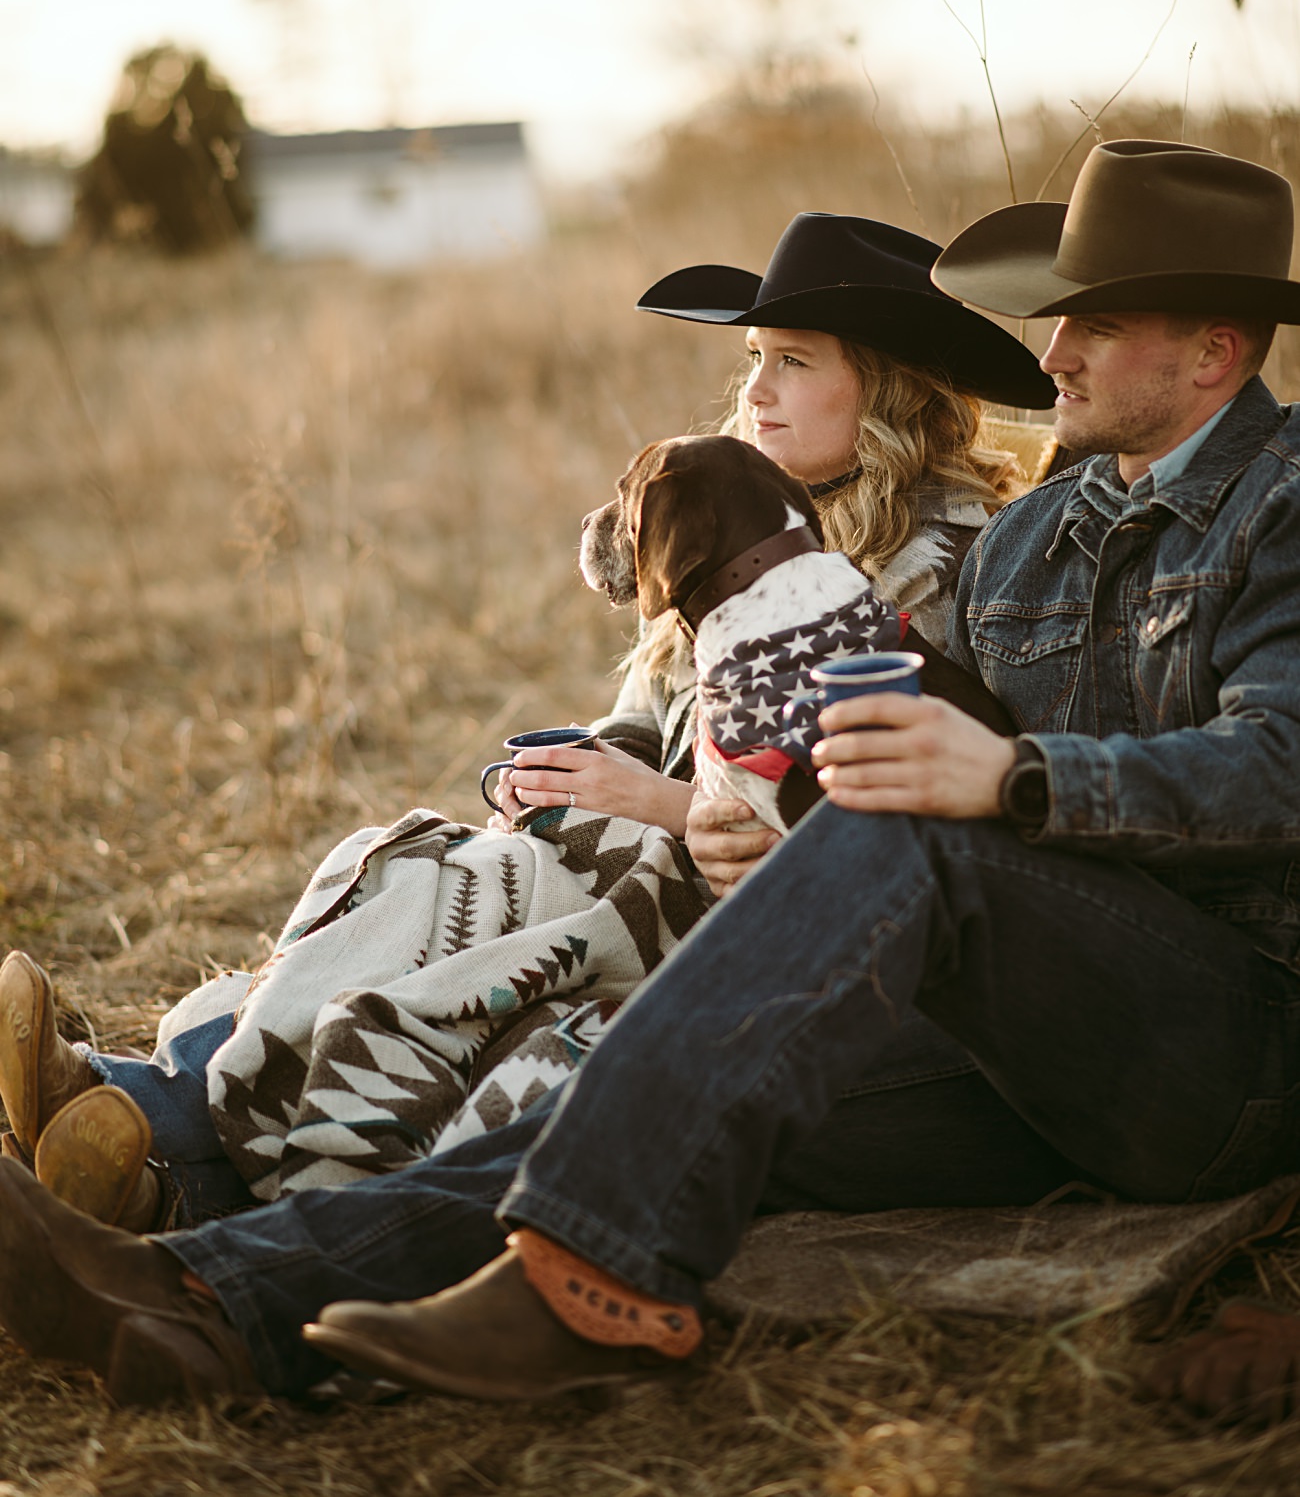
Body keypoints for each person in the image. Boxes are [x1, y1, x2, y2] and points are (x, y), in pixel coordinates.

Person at [5, 137, 1300, 1409]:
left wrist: (1013, 775)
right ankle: (198, 1301)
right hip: (1019, 1039)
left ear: (1212, 351)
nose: (1055, 350)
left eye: (1098, 323)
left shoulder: (1282, 506)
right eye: (1058, 318)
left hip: (1222, 1047)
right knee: (640, 1114)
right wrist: (783, 825)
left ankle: (569, 1286)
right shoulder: (1032, 540)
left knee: (897, 853)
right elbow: (897, 747)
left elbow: (1278, 763)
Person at [0, 214, 1046, 1237]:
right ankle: (148, 1168)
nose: (755, 391)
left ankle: (143, 1118)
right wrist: (579, 770)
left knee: (451, 927)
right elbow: (649, 718)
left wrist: (662, 803)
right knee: (404, 872)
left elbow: (869, 811)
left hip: (749, 906)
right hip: (640, 856)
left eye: (795, 362)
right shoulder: (730, 509)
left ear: (889, 391)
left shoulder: (953, 571)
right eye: (753, 358)